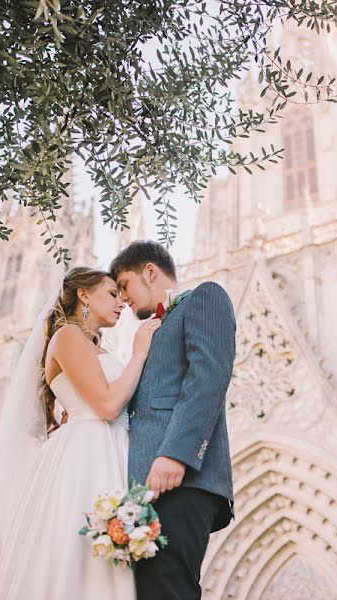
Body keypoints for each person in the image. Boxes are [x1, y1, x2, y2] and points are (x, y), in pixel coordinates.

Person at [0, 266, 160, 599]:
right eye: (112, 293)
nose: (121, 302)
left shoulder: (92, 347)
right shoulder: (68, 336)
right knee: (79, 560)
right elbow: (107, 405)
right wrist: (140, 352)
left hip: (110, 447)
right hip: (87, 454)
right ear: (84, 295)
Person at [110, 241, 236, 600]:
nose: (123, 298)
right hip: (143, 490)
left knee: (170, 589)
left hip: (181, 480)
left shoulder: (204, 298)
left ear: (150, 272)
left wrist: (177, 454)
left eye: (124, 285)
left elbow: (208, 378)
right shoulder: (149, 332)